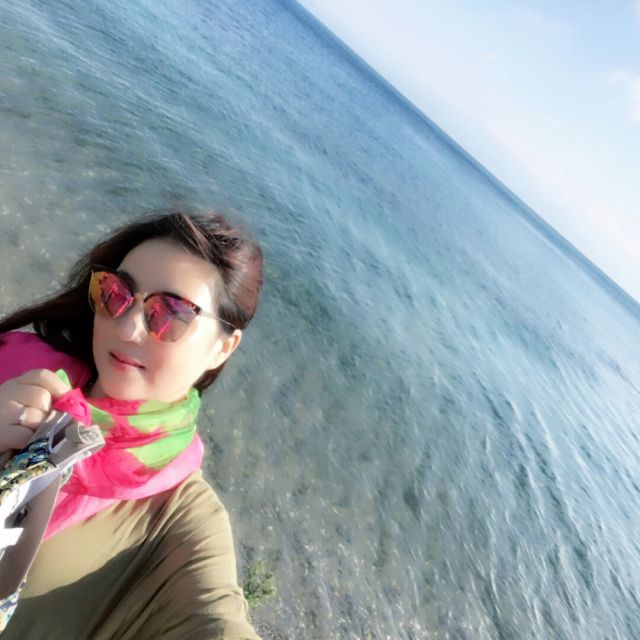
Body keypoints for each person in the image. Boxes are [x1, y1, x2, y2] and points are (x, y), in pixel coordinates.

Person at [0, 210, 264, 639]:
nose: (126, 327)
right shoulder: (15, 359)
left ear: (223, 347)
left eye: (170, 313)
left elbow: (216, 623)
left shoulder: (177, 521)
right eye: (117, 293)